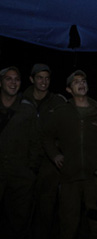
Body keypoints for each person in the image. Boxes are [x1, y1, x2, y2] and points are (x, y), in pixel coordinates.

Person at [43, 70, 97, 239]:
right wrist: (55, 155)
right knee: (69, 223)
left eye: (83, 80)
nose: (81, 84)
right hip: (69, 177)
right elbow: (46, 136)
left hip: (94, 178)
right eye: (76, 82)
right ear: (69, 89)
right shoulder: (61, 112)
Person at [23, 63, 66, 239]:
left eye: (47, 78)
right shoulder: (21, 100)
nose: (44, 82)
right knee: (22, 207)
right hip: (24, 162)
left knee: (46, 209)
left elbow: (65, 128)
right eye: (40, 78)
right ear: (32, 79)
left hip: (49, 165)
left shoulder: (57, 101)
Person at [0, 66, 42, 238]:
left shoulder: (27, 109)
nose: (13, 82)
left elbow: (36, 142)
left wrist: (31, 170)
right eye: (8, 79)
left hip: (20, 177)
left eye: (16, 79)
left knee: (19, 222)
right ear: (1, 82)